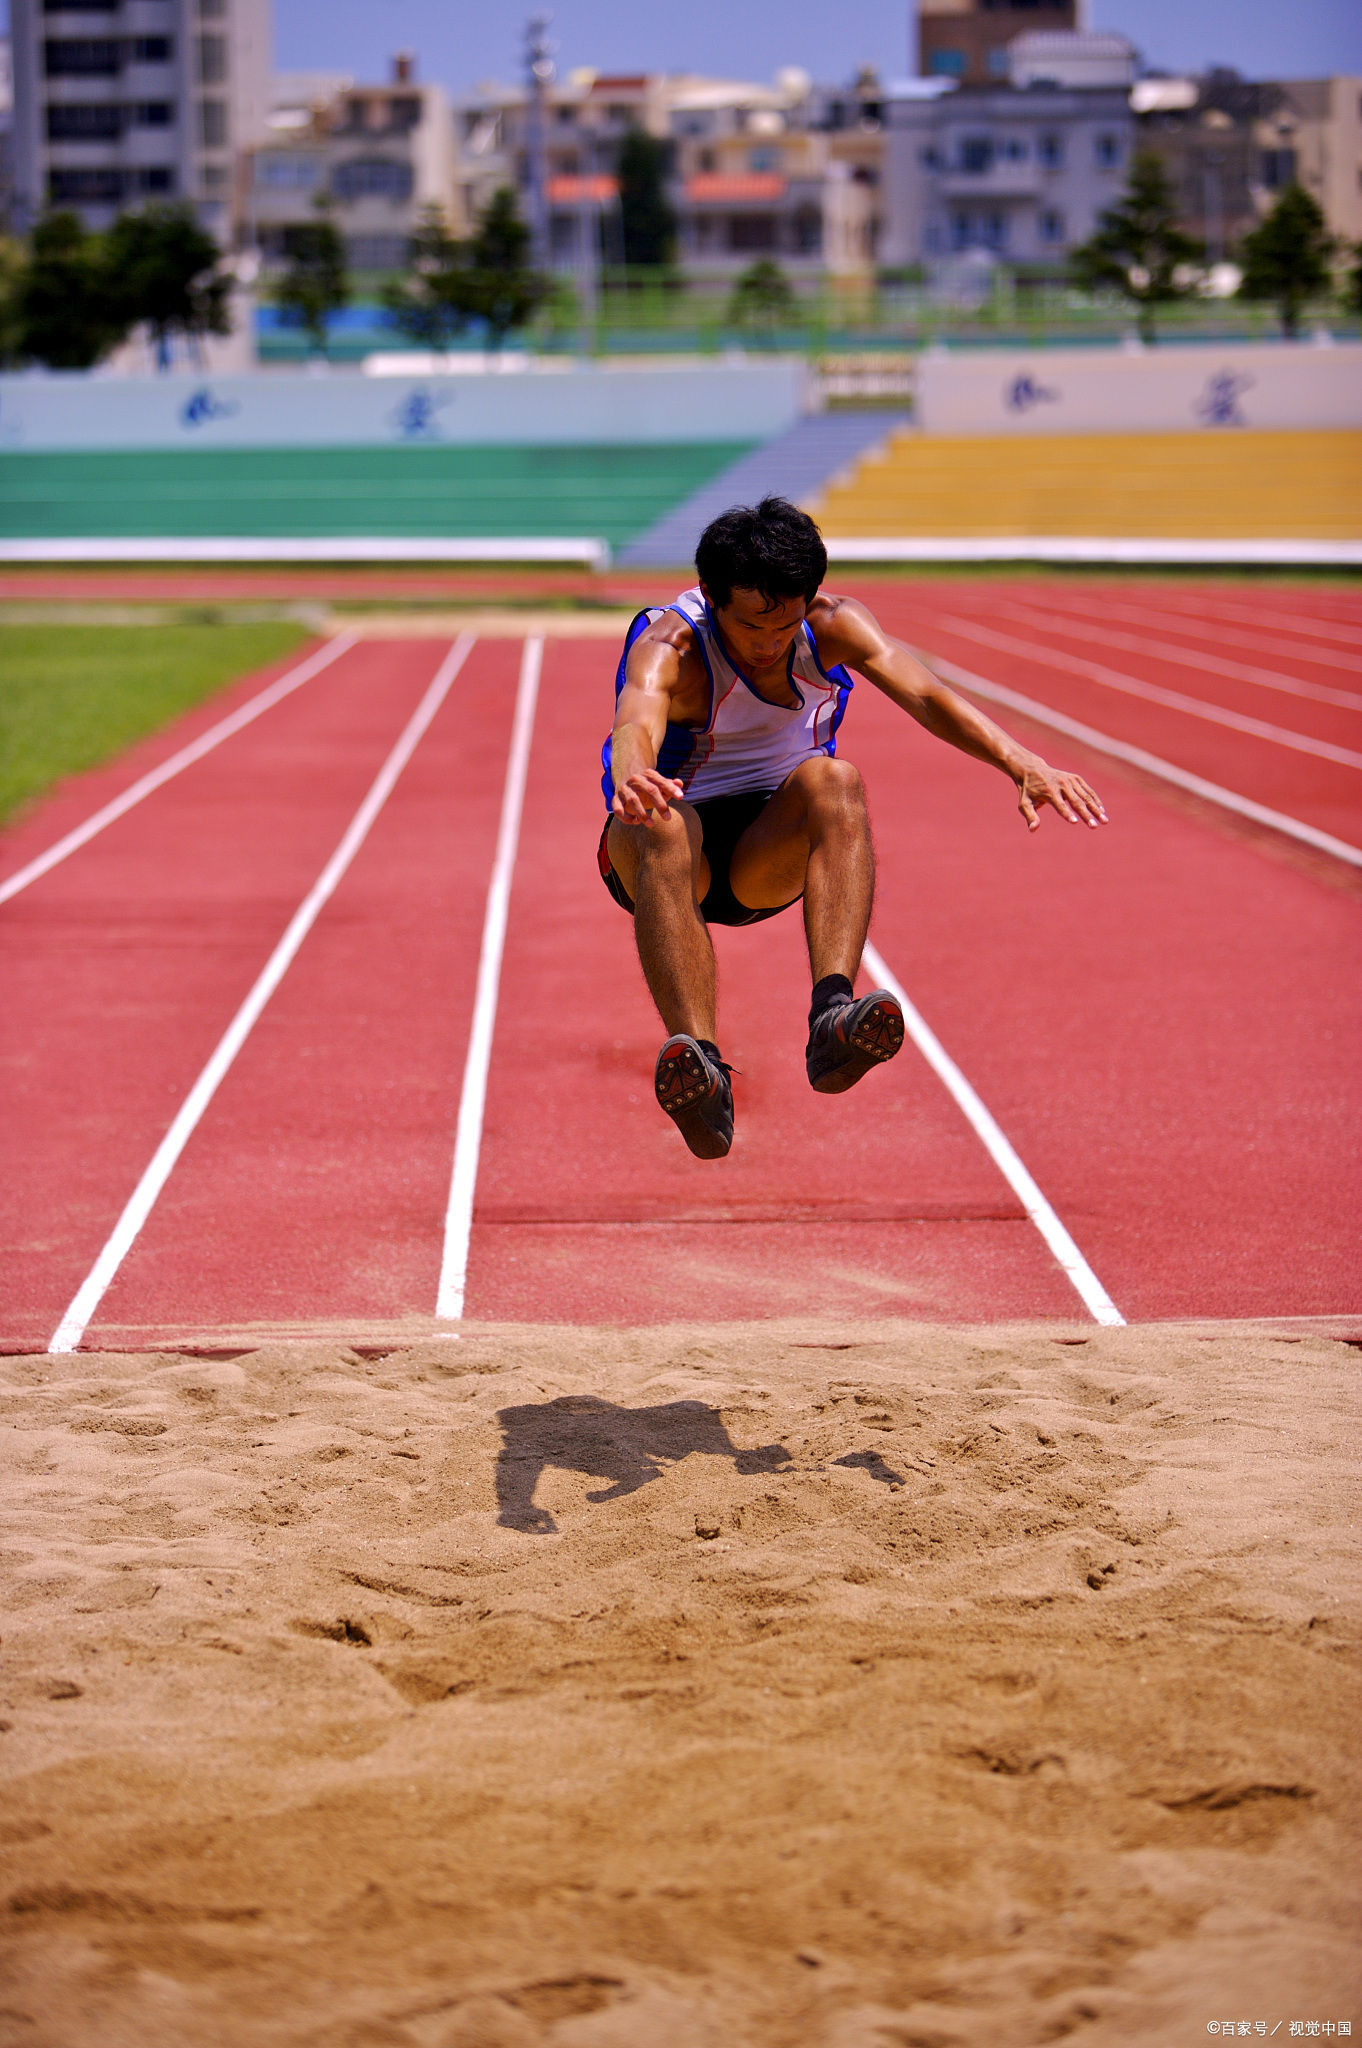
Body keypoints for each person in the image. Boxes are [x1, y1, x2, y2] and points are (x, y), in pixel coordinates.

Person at [598, 497, 1106, 1160]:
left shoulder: (832, 626)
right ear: (712, 599)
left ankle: (832, 1020)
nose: (770, 642)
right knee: (664, 822)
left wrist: (1020, 761)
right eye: (753, 625)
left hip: (762, 857)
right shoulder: (673, 645)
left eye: (784, 623)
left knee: (836, 781)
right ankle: (705, 1074)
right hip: (664, 856)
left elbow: (926, 694)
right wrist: (634, 773)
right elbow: (635, 717)